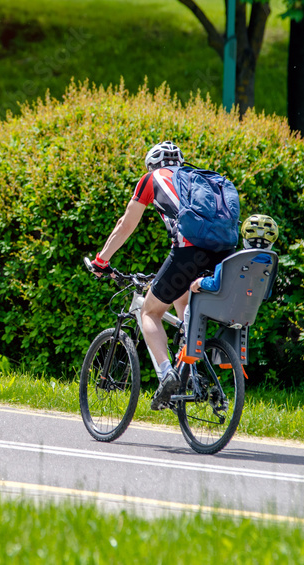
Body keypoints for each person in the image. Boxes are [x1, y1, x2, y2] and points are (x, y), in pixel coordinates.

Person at [88, 141, 234, 410]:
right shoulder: (196, 178)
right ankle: (191, 374)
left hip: (187, 253)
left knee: (149, 312)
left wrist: (101, 261)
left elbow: (126, 224)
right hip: (222, 254)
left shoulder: (150, 179)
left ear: (152, 165)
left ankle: (168, 374)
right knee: (184, 305)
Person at [190, 214, 279, 294]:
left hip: (221, 309)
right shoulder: (270, 264)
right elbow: (267, 293)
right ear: (271, 243)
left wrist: (200, 282)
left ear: (244, 239)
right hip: (248, 310)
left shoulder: (233, 261)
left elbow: (215, 285)